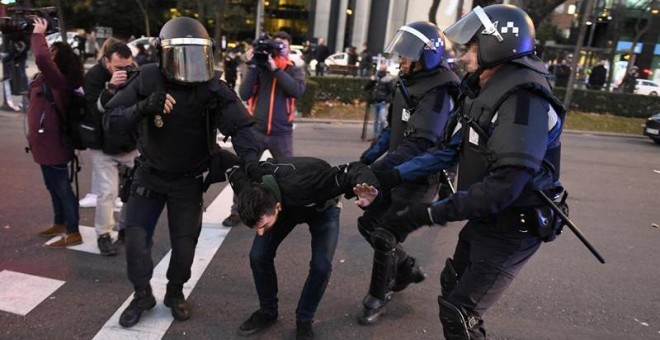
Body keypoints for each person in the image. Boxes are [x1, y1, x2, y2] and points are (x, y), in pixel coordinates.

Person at [377, 5, 566, 338]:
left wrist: (429, 212)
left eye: (472, 48)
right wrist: (390, 175)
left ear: (500, 46)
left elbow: (505, 185)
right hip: (490, 217)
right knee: (452, 283)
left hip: (515, 224)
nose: (464, 58)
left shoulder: (524, 100)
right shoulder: (484, 91)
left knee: (459, 312)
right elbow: (450, 149)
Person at [102, 17, 261, 328]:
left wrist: (252, 162)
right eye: (180, 56)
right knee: (135, 241)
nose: (189, 67)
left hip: (188, 180)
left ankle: (175, 292)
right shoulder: (148, 78)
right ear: (164, 55)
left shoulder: (212, 86)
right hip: (149, 176)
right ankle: (142, 294)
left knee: (185, 244)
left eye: (196, 56)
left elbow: (242, 128)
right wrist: (144, 107)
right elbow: (111, 120)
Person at [355, 21, 460, 325]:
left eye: (407, 52)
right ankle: (406, 269)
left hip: (418, 177)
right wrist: (369, 158)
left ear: (426, 55)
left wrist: (379, 172)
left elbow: (420, 142)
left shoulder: (440, 91)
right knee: (368, 226)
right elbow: (394, 130)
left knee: (385, 232)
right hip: (395, 171)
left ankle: (378, 295)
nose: (400, 57)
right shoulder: (408, 81)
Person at [221, 152, 380, 339]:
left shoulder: (308, 183)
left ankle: (304, 320)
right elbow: (229, 160)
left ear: (277, 207)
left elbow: (354, 169)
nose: (260, 232)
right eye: (256, 227)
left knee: (321, 266)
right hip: (284, 205)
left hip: (321, 208)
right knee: (258, 255)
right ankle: (267, 312)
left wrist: (369, 188)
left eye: (263, 226)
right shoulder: (247, 188)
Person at [221, 31, 306, 227]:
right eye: (275, 45)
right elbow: (244, 92)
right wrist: (252, 65)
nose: (278, 49)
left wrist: (276, 69)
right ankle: (238, 211)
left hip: (282, 133)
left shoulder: (293, 69)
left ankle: (285, 212)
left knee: (287, 174)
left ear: (289, 48)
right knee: (244, 171)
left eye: (282, 46)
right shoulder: (259, 68)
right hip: (256, 130)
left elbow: (297, 90)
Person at [26, 18, 85, 247]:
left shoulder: (59, 79)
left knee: (62, 187)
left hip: (55, 143)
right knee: (52, 186)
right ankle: (59, 222)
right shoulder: (47, 78)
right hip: (43, 143)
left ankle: (73, 230)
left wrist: (38, 33)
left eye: (53, 52)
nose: (48, 54)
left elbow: (40, 58)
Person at [82, 41, 137, 255]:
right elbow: (95, 110)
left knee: (135, 189)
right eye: (118, 67)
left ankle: (125, 228)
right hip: (102, 143)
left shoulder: (135, 72)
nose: (123, 71)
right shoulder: (94, 77)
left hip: (128, 142)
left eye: (127, 66)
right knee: (108, 192)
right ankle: (103, 234)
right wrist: (112, 87)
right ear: (106, 61)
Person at [363, 62, 395, 139]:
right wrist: (371, 80)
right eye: (380, 69)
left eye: (383, 69)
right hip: (375, 101)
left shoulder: (388, 79)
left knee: (382, 120)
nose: (381, 70)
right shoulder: (375, 78)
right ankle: (376, 135)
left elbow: (391, 91)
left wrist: (387, 100)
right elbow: (366, 88)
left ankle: (381, 135)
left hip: (383, 102)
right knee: (376, 120)